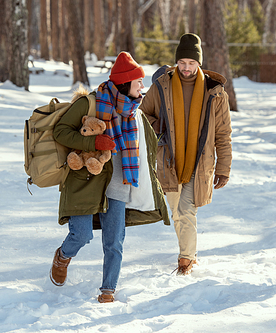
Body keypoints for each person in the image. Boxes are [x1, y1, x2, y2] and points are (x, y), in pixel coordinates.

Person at [49, 51, 169, 303]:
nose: (143, 87)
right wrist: (92, 140)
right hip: (86, 181)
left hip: (117, 186)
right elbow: (60, 131)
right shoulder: (90, 104)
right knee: (81, 234)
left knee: (114, 241)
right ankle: (62, 256)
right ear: (125, 83)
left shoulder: (135, 113)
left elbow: (147, 148)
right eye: (139, 83)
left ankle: (108, 289)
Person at [140, 33, 232, 275]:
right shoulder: (162, 85)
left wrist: (224, 168)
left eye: (192, 63)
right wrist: (156, 125)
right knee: (176, 211)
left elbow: (223, 134)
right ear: (176, 62)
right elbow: (141, 115)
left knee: (185, 209)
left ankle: (186, 259)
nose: (186, 68)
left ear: (199, 63)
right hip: (169, 159)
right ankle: (188, 253)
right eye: (182, 63)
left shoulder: (216, 92)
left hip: (199, 161)